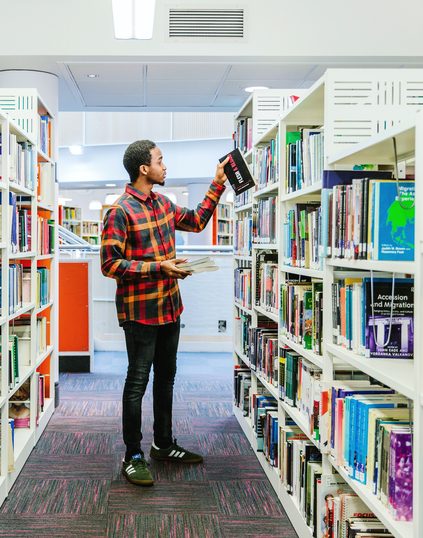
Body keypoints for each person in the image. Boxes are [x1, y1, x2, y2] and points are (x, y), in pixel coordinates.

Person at [100, 139, 228, 487]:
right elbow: (110, 264)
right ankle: (133, 455)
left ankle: (163, 444)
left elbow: (199, 221)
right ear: (144, 168)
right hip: (140, 312)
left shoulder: (164, 205)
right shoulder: (120, 211)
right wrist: (161, 267)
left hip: (170, 307)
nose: (164, 165)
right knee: (136, 383)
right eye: (160, 160)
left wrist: (218, 182)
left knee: (166, 379)